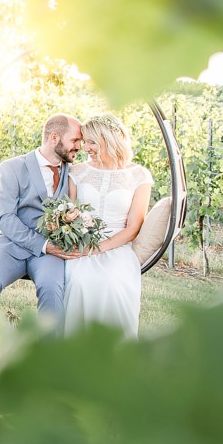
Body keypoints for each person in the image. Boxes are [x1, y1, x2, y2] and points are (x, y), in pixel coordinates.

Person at [53, 114, 153, 339]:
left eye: (91, 142)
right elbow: (70, 210)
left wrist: (100, 248)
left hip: (118, 246)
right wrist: (75, 233)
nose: (85, 148)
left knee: (113, 282)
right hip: (82, 243)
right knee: (78, 280)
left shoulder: (138, 176)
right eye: (84, 142)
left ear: (108, 139)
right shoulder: (78, 172)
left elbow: (134, 227)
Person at [0, 113, 83, 315]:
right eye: (75, 140)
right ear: (54, 138)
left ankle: (49, 346)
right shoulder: (12, 167)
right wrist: (43, 245)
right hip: (11, 245)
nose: (79, 147)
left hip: (51, 252)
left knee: (52, 289)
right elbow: (5, 218)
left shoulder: (76, 173)